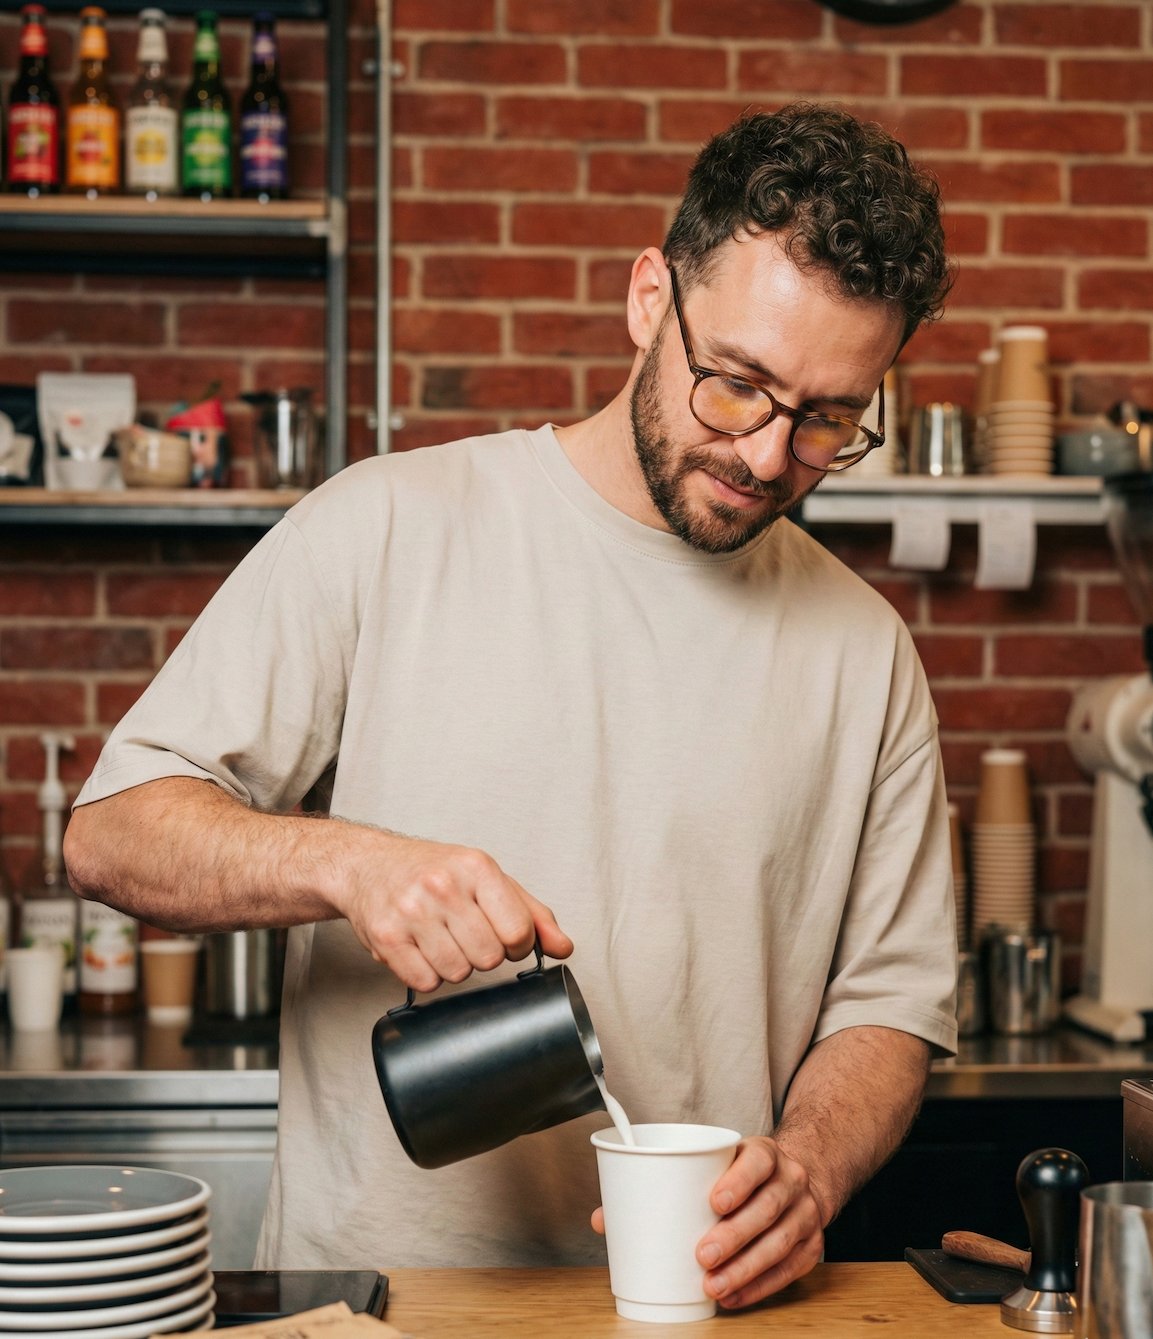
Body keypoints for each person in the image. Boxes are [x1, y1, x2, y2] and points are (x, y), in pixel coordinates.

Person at [65, 104, 956, 1310]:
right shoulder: (387, 526)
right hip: (380, 1308)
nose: (765, 455)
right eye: (737, 385)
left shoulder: (866, 651)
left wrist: (811, 1165)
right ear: (650, 298)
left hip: (683, 1307)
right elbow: (112, 832)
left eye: (828, 419)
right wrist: (349, 865)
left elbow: (891, 1000)